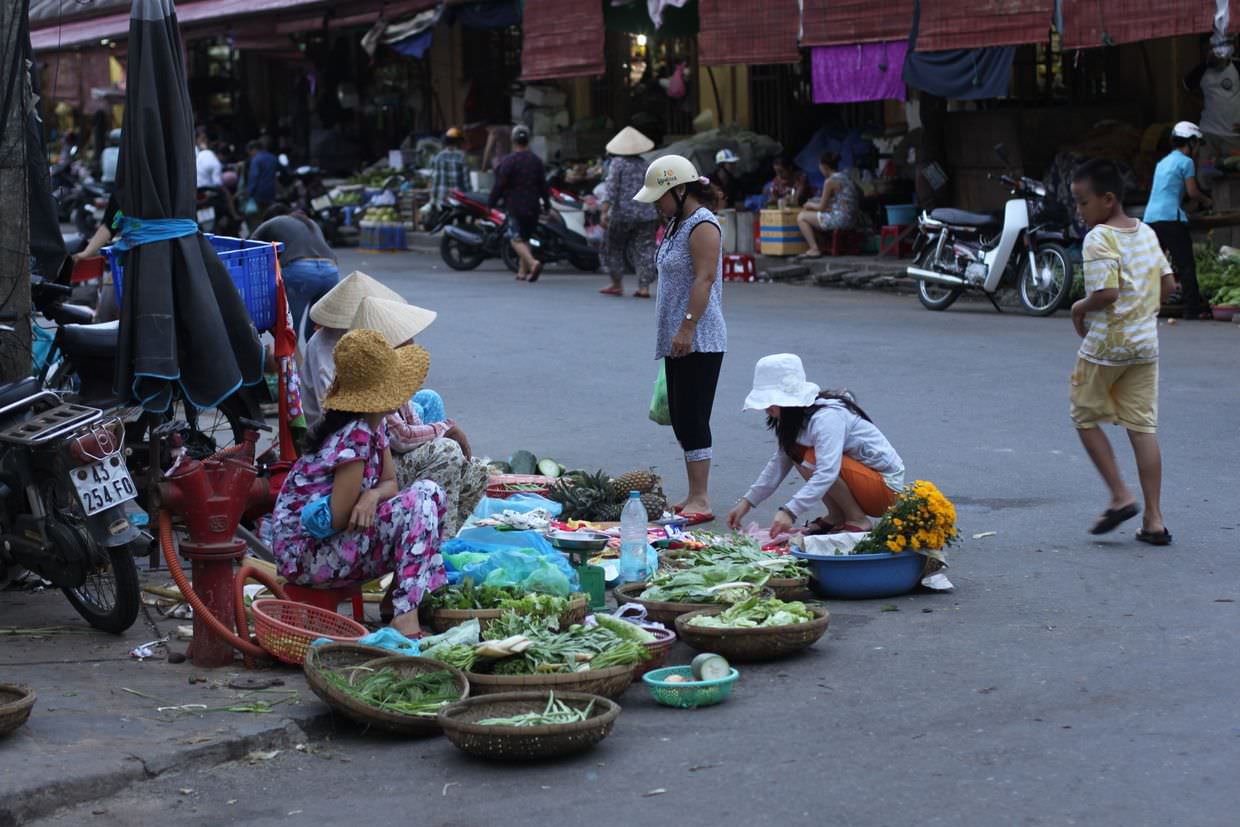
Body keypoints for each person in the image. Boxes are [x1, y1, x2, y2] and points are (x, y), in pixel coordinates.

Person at [272, 329, 447, 636]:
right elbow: (339, 517)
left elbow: (390, 482)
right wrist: (368, 497)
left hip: (331, 545)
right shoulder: (355, 435)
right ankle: (405, 617)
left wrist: (371, 496)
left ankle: (401, 602)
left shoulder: (373, 427)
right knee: (421, 499)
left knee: (431, 493)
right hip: (307, 557)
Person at [1068, 159, 1175, 545]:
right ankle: (1154, 520)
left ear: (1107, 199)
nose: (1080, 211)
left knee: (1083, 413)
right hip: (1146, 346)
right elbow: (1168, 284)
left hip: (1107, 347)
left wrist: (1079, 307)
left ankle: (1119, 495)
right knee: (1142, 427)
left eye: (1083, 202)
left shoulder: (1099, 238)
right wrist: (1144, 310)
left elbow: (1106, 293)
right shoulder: (1146, 232)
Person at [633, 154, 726, 525]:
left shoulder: (703, 224)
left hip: (700, 337)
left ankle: (701, 498)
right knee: (682, 418)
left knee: (694, 416)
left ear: (680, 189)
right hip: (678, 338)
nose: (657, 203)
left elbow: (704, 280)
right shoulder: (676, 224)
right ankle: (692, 494)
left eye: (660, 196)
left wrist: (687, 327)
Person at [727, 354, 905, 537]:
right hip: (864, 480)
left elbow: (827, 471)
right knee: (794, 451)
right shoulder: (794, 420)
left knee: (812, 458)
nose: (765, 408)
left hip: (885, 489)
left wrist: (789, 511)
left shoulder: (826, 418)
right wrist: (747, 502)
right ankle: (837, 516)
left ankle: (857, 519)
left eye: (770, 401)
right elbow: (778, 464)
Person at [301, 271, 404, 426]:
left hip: (363, 413)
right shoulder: (324, 345)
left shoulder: (357, 338)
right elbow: (329, 406)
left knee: (428, 398)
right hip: (336, 429)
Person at [1144, 122, 1213, 321]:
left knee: (1153, 266)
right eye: (1197, 144)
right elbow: (1192, 192)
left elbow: (1168, 192)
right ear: (1190, 143)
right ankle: (1192, 310)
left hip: (1151, 218)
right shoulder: (1186, 162)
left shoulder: (1163, 162)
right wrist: (1207, 200)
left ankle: (1145, 307)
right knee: (1186, 265)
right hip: (1170, 219)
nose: (1198, 149)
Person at [251, 205, 340, 339]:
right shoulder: (310, 222)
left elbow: (248, 245)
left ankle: (295, 359)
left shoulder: (272, 222)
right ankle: (316, 359)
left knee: (291, 332)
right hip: (331, 271)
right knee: (317, 333)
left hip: (301, 273)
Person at [599, 126, 659, 298]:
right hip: (646, 213)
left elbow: (611, 189)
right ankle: (644, 287)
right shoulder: (646, 164)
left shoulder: (617, 163)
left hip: (622, 214)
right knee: (645, 249)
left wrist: (604, 212)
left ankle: (617, 284)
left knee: (614, 248)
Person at [489, 124, 550, 282]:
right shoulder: (536, 161)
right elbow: (543, 185)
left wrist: (491, 203)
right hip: (533, 206)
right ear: (528, 140)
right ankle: (522, 272)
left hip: (515, 206)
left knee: (515, 239)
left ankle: (532, 263)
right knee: (525, 238)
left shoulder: (509, 161)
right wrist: (548, 204)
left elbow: (499, 184)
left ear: (513, 140)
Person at [795, 151, 864, 259]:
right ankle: (823, 244)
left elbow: (821, 207)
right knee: (816, 213)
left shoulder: (830, 181)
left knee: (802, 217)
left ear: (824, 166)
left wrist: (809, 205)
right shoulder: (846, 177)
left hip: (841, 220)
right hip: (853, 219)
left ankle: (814, 249)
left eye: (820, 167)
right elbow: (860, 193)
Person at [1184, 36, 1240, 163]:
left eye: (1213, 50)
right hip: (1208, 134)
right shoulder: (1201, 70)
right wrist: (1199, 104)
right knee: (1206, 174)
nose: (1210, 55)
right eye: (1206, 51)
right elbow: (1185, 88)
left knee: (1232, 176)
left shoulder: (1237, 67)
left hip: (1233, 136)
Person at [430, 127, 468, 208]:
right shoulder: (462, 156)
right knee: (461, 220)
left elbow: (435, 180)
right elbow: (466, 182)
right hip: (458, 200)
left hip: (443, 199)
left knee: (445, 220)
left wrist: (433, 200)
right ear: (459, 141)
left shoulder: (439, 156)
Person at [246, 138, 278, 215]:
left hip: (259, 192)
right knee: (270, 213)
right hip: (271, 191)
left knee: (260, 215)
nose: (250, 155)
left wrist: (249, 192)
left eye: (250, 152)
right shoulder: (273, 158)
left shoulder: (256, 159)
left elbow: (254, 176)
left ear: (254, 149)